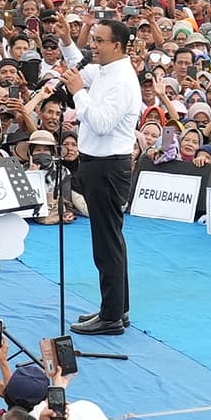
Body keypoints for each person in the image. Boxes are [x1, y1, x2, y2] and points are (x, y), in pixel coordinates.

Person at [63, 17, 141, 336]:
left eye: (98, 41)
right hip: (100, 163)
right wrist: (69, 41)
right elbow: (79, 69)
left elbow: (101, 123)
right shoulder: (108, 70)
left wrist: (79, 94)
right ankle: (116, 309)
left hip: (108, 166)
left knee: (107, 243)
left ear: (117, 46)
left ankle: (111, 316)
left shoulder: (123, 80)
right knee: (110, 240)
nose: (92, 45)